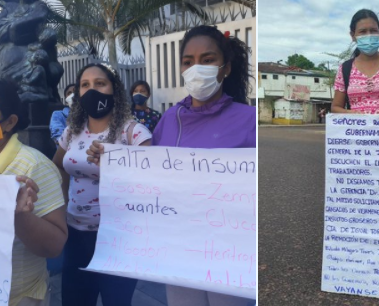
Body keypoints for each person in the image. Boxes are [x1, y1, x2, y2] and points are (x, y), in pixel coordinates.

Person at [87, 25, 256, 306]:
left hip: (229, 255)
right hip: (178, 253)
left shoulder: (248, 119)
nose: (196, 68)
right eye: (188, 62)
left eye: (208, 59)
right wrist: (114, 169)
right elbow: (151, 180)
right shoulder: (170, 119)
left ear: (225, 68)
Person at [52, 63, 152, 306]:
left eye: (100, 83)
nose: (91, 90)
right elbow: (58, 170)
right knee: (75, 300)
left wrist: (115, 165)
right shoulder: (71, 132)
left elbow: (150, 184)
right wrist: (60, 211)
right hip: (75, 235)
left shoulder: (134, 133)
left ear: (113, 90)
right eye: (85, 85)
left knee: (116, 300)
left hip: (119, 238)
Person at [0, 79, 67, 306]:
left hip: (15, 297)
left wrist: (19, 215)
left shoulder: (34, 166)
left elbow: (54, 246)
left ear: (9, 122)